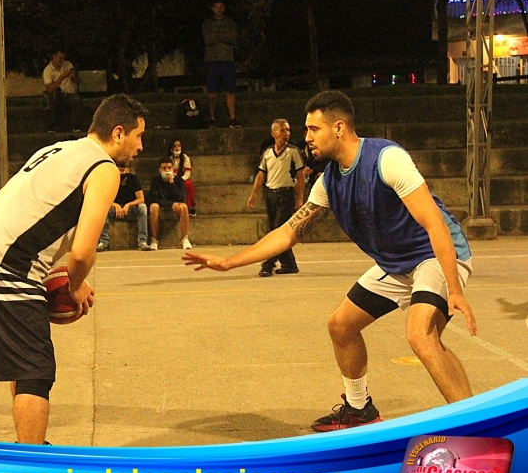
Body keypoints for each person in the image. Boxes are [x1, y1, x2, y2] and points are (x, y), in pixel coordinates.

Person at [184, 90, 477, 433]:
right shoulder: (329, 182)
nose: (306, 137)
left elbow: (434, 223)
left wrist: (454, 289)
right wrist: (229, 262)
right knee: (341, 325)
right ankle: (358, 410)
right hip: (397, 263)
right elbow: (287, 233)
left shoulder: (387, 159)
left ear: (338, 128)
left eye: (313, 129)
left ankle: (476, 429)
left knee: (421, 335)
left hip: (435, 254)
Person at [0, 94, 148, 444]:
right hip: (7, 262)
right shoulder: (104, 168)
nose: (141, 146)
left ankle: (28, 446)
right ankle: (31, 466)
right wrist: (75, 284)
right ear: (119, 132)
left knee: (24, 362)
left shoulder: (64, 149)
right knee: (36, 369)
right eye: (139, 136)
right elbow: (81, 253)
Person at [247, 119, 305, 277]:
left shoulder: (293, 152)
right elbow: (261, 174)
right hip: (271, 194)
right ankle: (289, 263)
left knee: (276, 230)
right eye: (282, 130)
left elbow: (300, 175)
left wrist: (300, 198)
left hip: (286, 194)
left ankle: (268, 264)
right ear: (274, 133)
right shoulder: (267, 153)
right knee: (277, 230)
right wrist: (253, 194)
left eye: (287, 130)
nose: (286, 134)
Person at [202, 0, 239, 128]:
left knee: (230, 90)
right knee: (212, 91)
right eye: (216, 7)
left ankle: (233, 118)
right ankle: (212, 118)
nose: (218, 10)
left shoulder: (230, 23)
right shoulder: (207, 23)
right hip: (212, 60)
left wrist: (216, 36)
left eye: (221, 7)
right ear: (212, 8)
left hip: (227, 59)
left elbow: (232, 38)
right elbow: (207, 39)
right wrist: (223, 36)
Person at [96, 163, 151, 252]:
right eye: (119, 170)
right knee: (102, 209)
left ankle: (142, 241)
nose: (121, 173)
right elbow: (104, 199)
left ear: (128, 170)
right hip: (114, 209)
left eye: (123, 170)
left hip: (129, 209)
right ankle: (103, 242)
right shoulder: (110, 179)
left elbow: (141, 199)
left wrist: (128, 205)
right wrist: (116, 205)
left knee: (142, 207)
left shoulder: (134, 179)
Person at [148, 157, 192, 250]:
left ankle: (185, 238)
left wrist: (172, 184)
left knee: (184, 207)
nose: (167, 170)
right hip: (162, 205)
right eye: (164, 168)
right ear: (160, 170)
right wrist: (170, 204)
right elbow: (153, 198)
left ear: (173, 169)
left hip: (176, 205)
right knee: (153, 207)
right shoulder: (155, 181)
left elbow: (181, 198)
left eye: (169, 168)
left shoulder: (179, 180)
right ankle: (154, 240)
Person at [42, 48, 84, 133]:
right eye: (60, 58)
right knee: (49, 99)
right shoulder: (48, 70)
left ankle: (76, 126)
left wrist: (75, 74)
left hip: (70, 93)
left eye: (63, 58)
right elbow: (49, 88)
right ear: (54, 56)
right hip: (57, 95)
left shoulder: (68, 65)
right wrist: (61, 77)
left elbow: (78, 81)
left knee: (77, 100)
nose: (61, 60)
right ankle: (52, 127)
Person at [170, 140, 197, 216]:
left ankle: (190, 207)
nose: (177, 148)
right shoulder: (170, 159)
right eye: (175, 146)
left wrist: (181, 179)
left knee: (188, 185)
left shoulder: (185, 158)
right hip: (172, 178)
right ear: (171, 148)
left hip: (183, 178)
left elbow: (187, 173)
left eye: (179, 146)